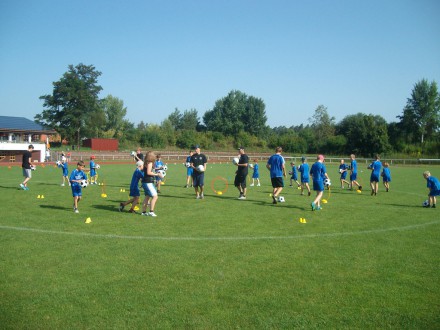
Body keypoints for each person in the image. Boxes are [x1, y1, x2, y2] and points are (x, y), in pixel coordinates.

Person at [141, 151, 163, 216]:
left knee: (147, 197)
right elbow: (148, 172)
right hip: (148, 182)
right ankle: (151, 211)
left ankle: (143, 212)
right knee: (155, 196)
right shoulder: (150, 163)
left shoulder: (146, 162)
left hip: (145, 182)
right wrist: (157, 174)